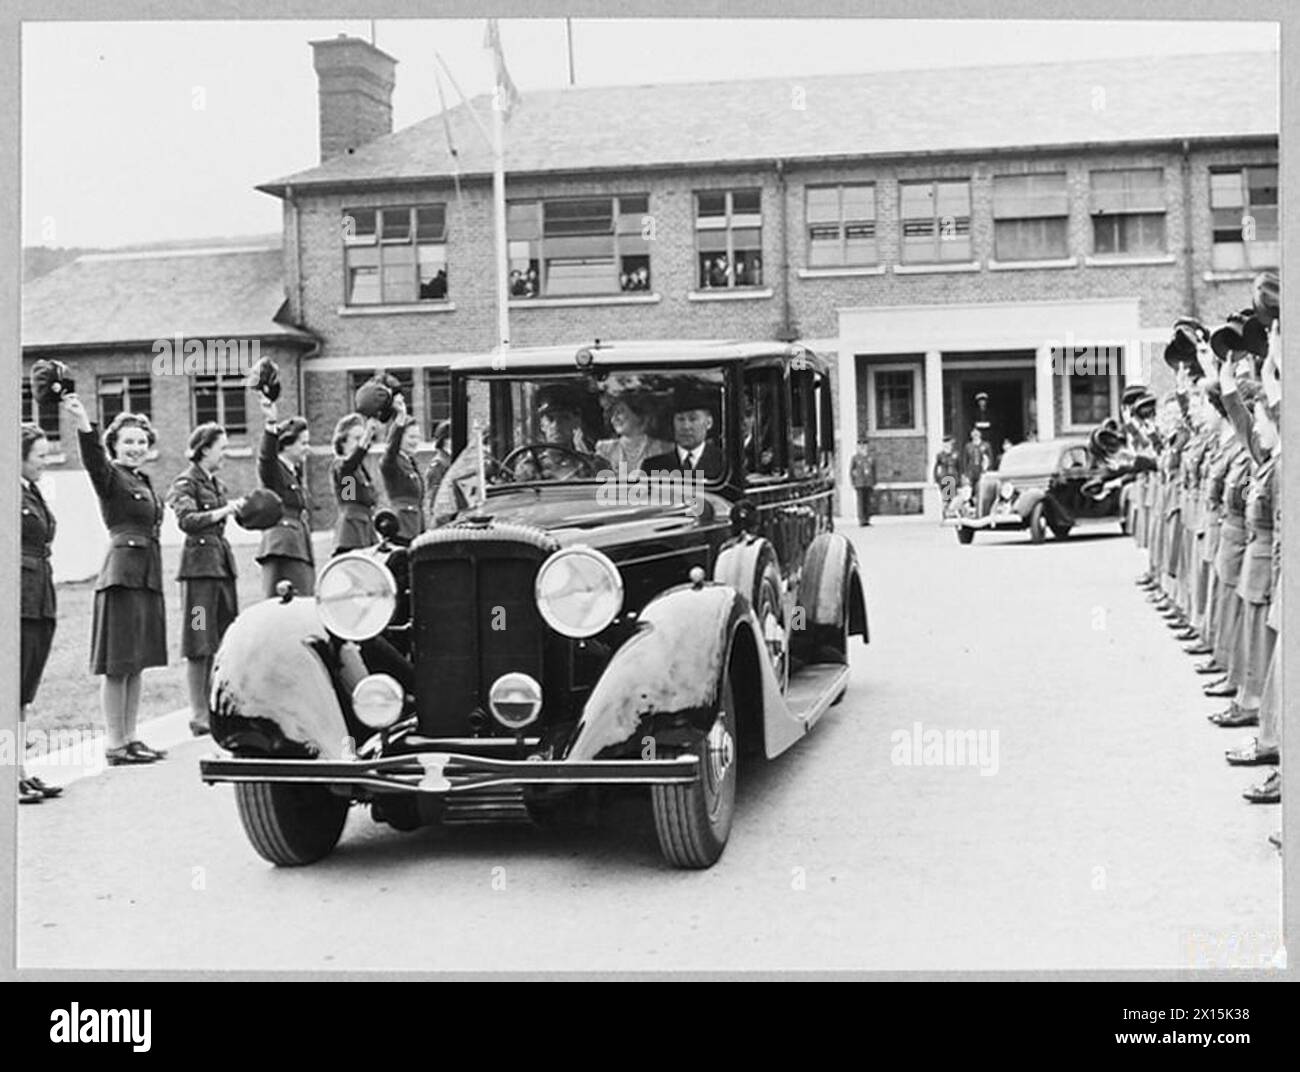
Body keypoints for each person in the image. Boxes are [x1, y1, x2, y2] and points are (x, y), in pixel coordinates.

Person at [63, 395, 168, 767]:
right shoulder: (109, 476)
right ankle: (114, 742)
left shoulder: (143, 479)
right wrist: (82, 421)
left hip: (147, 574)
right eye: (128, 442)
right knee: (117, 662)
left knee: (137, 660)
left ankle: (131, 737)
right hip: (121, 576)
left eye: (141, 441)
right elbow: (92, 458)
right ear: (114, 446)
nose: (136, 448)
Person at [166, 423, 244, 737]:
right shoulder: (186, 483)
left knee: (224, 639)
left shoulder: (217, 484)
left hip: (221, 569)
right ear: (204, 449)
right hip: (199, 575)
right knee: (199, 642)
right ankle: (198, 714)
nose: (225, 453)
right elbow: (188, 520)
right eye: (221, 448)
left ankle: (216, 708)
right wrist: (223, 511)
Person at [20, 424, 61, 802]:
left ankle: (18, 770)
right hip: (18, 599)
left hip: (39, 596)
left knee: (21, 693)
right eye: (40, 456)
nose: (45, 463)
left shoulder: (31, 491)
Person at [256, 397, 315, 597]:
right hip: (282, 548)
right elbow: (266, 457)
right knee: (282, 609)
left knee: (303, 603)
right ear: (286, 445)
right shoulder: (275, 470)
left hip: (297, 546)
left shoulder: (293, 472)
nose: (308, 448)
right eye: (303, 443)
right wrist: (271, 423)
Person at [643, 388, 726, 480]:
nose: (686, 426)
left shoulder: (725, 464)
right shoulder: (653, 466)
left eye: (693, 419)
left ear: (709, 422)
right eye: (680, 419)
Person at [331, 412, 381, 554]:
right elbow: (349, 465)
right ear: (343, 441)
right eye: (356, 438)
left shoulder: (359, 468)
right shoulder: (340, 464)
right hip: (351, 529)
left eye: (361, 438)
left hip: (365, 525)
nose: (361, 442)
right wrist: (365, 438)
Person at [379, 393, 424, 542]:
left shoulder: (410, 462)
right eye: (411, 437)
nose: (415, 441)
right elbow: (391, 447)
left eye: (417, 437)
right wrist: (401, 417)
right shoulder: (391, 461)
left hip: (414, 526)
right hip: (401, 527)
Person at [595, 394, 670, 476]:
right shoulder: (605, 449)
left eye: (620, 412)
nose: (614, 419)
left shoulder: (663, 448)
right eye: (612, 415)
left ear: (638, 416)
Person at [423, 419, 453, 528]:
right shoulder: (439, 464)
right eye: (450, 437)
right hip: (444, 519)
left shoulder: (450, 460)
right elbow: (434, 495)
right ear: (444, 440)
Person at [849, 442, 877, 526]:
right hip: (859, 483)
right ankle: (861, 519)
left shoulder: (870, 458)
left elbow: (874, 470)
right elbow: (851, 471)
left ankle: (867, 519)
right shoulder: (855, 458)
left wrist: (874, 481)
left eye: (864, 446)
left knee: (868, 502)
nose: (863, 448)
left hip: (868, 482)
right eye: (861, 447)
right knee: (861, 502)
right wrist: (853, 481)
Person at [933, 436, 961, 517]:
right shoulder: (940, 455)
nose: (948, 445)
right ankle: (946, 512)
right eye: (946, 444)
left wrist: (959, 478)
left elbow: (959, 467)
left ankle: (952, 512)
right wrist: (936, 478)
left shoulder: (955, 454)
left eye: (950, 444)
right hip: (945, 478)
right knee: (946, 497)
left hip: (953, 477)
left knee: (954, 496)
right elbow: (936, 467)